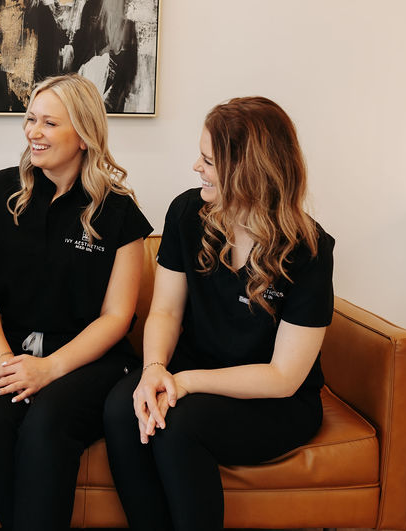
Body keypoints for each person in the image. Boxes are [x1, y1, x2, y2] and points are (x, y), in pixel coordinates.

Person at [103, 96, 335, 531]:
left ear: (248, 171)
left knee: (179, 425)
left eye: (208, 160)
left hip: (273, 401)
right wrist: (154, 368)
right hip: (190, 371)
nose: (195, 166)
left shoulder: (310, 250)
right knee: (122, 407)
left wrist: (184, 382)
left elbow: (283, 377)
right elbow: (166, 312)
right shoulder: (187, 213)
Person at [0, 74, 152, 531]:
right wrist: (4, 359)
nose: (33, 132)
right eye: (30, 119)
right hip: (6, 354)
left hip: (91, 364)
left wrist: (50, 368)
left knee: (44, 426)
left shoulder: (119, 210)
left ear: (85, 135)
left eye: (49, 123)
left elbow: (117, 316)